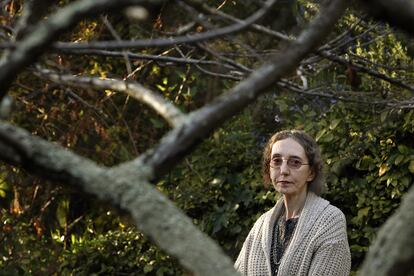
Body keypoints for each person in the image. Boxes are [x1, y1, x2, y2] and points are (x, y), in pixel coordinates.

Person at [235, 130, 351, 276]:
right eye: (276, 161)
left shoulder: (329, 221)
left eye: (295, 162)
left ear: (311, 173)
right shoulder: (261, 225)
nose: (283, 170)